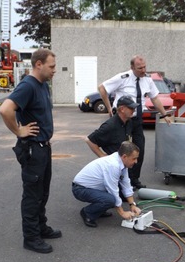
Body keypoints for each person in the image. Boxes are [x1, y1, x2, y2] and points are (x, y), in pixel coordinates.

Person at [0, 49, 62, 254]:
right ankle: (31, 238)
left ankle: (40, 227)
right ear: (38, 64)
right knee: (32, 195)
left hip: (44, 148)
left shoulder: (43, 85)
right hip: (33, 149)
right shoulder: (28, 85)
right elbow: (5, 109)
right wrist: (19, 131)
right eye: (51, 66)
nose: (54, 70)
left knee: (42, 192)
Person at [98, 54, 171, 189]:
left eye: (144, 67)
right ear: (132, 67)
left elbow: (155, 98)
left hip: (137, 119)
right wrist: (109, 107)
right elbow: (102, 88)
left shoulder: (147, 80)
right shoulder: (123, 77)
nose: (143, 70)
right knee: (120, 151)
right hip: (122, 119)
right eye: (139, 68)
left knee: (139, 150)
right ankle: (118, 181)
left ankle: (133, 180)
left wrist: (164, 115)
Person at [72, 141, 142, 228]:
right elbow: (113, 190)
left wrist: (132, 205)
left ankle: (99, 210)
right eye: (134, 158)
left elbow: (126, 183)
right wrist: (122, 213)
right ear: (124, 156)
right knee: (110, 199)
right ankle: (87, 212)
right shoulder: (113, 165)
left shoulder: (122, 162)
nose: (136, 161)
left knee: (114, 197)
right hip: (80, 189)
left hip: (92, 187)